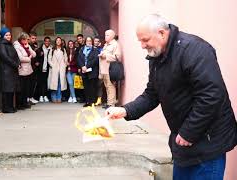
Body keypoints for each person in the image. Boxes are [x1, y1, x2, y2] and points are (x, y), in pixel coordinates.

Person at [105, 14, 237, 180]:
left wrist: (189, 132)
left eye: (145, 40)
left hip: (208, 143)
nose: (142, 46)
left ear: (161, 33)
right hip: (182, 143)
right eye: (140, 41)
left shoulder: (195, 50)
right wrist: (125, 110)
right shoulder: (156, 55)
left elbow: (211, 96)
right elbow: (152, 94)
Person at [0, 27, 20, 113]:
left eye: (9, 35)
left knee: (11, 90)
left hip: (12, 70)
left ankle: (10, 106)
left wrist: (17, 63)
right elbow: (4, 57)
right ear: (3, 36)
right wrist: (15, 64)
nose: (9, 36)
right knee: (6, 90)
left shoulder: (9, 44)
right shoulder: (1, 45)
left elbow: (16, 56)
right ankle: (6, 108)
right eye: (6, 35)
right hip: (6, 71)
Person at [99, 29, 121, 109]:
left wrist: (105, 56)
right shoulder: (106, 45)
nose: (105, 36)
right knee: (107, 87)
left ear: (112, 36)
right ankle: (110, 102)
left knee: (110, 86)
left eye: (107, 35)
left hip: (110, 69)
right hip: (104, 69)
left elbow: (117, 57)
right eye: (105, 35)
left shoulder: (115, 44)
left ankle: (111, 104)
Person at [14, 32, 37, 110]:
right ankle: (20, 104)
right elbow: (20, 58)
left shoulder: (27, 45)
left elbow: (34, 54)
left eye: (27, 39)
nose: (26, 41)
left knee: (26, 88)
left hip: (28, 70)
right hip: (21, 70)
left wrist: (28, 49)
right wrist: (29, 59)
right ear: (21, 39)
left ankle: (25, 103)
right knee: (21, 88)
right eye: (25, 39)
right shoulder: (17, 46)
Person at [77, 37, 99, 107]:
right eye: (87, 41)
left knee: (92, 87)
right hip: (84, 71)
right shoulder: (82, 49)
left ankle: (92, 102)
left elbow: (95, 60)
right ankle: (87, 102)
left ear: (92, 42)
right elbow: (79, 59)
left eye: (90, 41)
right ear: (85, 41)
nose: (88, 42)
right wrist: (82, 66)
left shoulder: (95, 50)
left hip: (92, 71)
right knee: (86, 87)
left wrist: (87, 66)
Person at [48, 37, 68, 103]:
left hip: (61, 69)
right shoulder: (52, 49)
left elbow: (66, 59)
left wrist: (64, 66)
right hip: (54, 69)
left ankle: (59, 97)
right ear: (55, 41)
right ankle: (53, 97)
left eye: (59, 40)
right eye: (57, 40)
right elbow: (49, 59)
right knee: (54, 84)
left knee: (60, 84)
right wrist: (53, 66)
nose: (58, 41)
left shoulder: (63, 50)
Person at [36, 37, 52, 103]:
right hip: (40, 69)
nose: (47, 42)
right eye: (46, 41)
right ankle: (40, 96)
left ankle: (45, 95)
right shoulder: (40, 49)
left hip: (47, 69)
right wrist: (37, 62)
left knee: (46, 83)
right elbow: (36, 57)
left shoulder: (51, 49)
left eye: (48, 41)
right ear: (44, 42)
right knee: (40, 83)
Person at [28, 31, 39, 104]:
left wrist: (37, 61)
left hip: (34, 68)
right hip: (28, 67)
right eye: (32, 38)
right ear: (29, 38)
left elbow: (36, 56)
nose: (34, 40)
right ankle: (28, 98)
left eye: (35, 38)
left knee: (33, 83)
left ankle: (31, 97)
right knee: (28, 84)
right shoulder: (27, 46)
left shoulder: (35, 45)